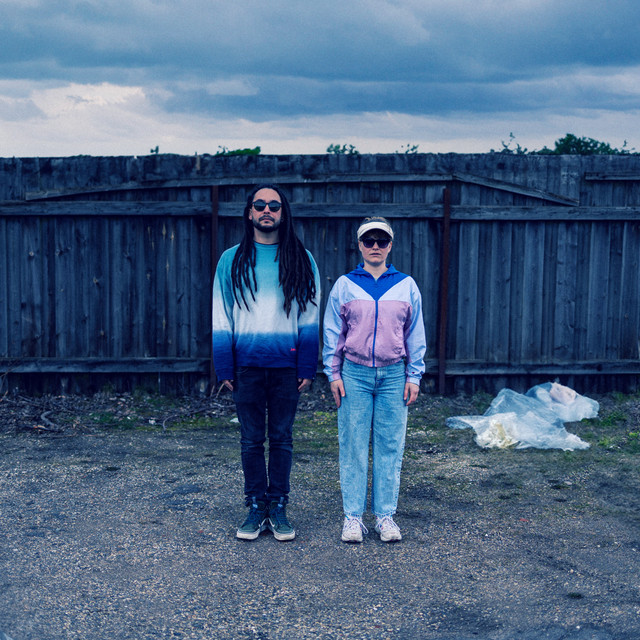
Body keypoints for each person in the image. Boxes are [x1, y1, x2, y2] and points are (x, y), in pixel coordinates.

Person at [212, 184, 320, 541]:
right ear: (249, 213)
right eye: (260, 205)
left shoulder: (301, 259)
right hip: (246, 366)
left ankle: (279, 506)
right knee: (251, 440)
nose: (266, 211)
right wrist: (224, 364)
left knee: (282, 439)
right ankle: (256, 505)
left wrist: (307, 365)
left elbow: (310, 315)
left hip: (287, 367)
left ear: (283, 214)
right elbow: (221, 314)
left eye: (274, 206)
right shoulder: (230, 260)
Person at [322, 216, 426, 543]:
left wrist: (414, 375)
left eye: (382, 241)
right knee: (353, 445)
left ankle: (385, 516)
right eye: (369, 241)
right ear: (360, 245)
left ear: (390, 245)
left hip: (394, 375)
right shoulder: (345, 285)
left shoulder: (406, 286)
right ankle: (353, 518)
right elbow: (333, 332)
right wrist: (333, 373)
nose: (376, 246)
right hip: (354, 374)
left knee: (390, 445)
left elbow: (415, 333)